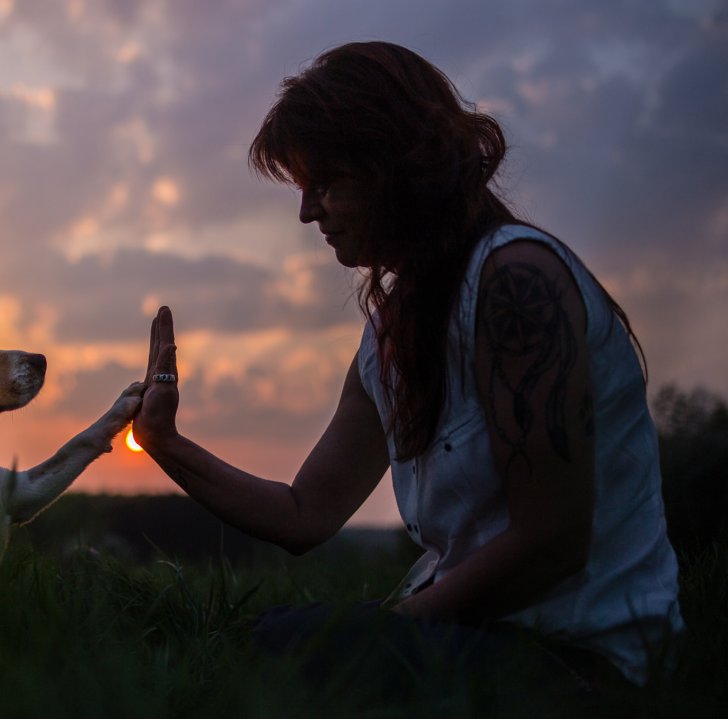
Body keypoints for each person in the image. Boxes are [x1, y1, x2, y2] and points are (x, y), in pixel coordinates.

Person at [130, 41, 683, 692]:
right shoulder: (392, 331)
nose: (308, 212)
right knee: (243, 641)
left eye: (325, 183)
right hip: (468, 634)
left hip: (577, 656)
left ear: (392, 167)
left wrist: (384, 628)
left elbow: (553, 540)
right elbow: (305, 512)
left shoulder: (515, 282)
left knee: (285, 656)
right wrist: (163, 442)